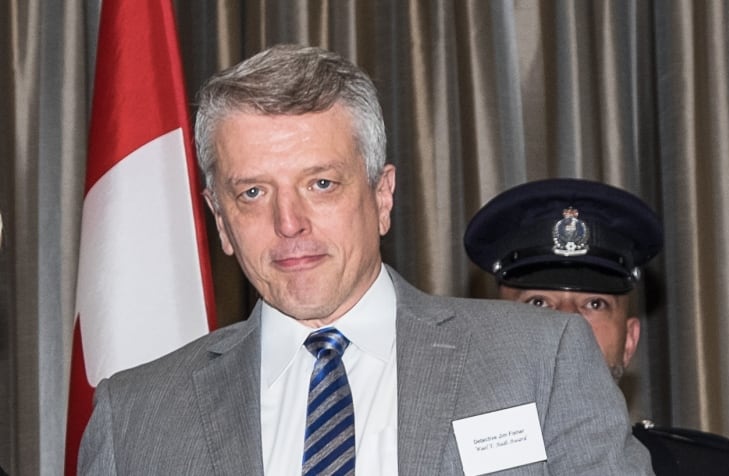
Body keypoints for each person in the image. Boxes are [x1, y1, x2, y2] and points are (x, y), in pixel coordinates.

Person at [77, 45, 653, 475]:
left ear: (382, 196)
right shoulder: (133, 416)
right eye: (253, 193)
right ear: (221, 220)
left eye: (321, 183)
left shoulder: (540, 362)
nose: (289, 223)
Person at [464, 177, 729, 476]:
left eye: (594, 304)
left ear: (629, 341)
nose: (568, 324)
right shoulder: (434, 459)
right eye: (538, 302)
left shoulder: (713, 470)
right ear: (494, 333)